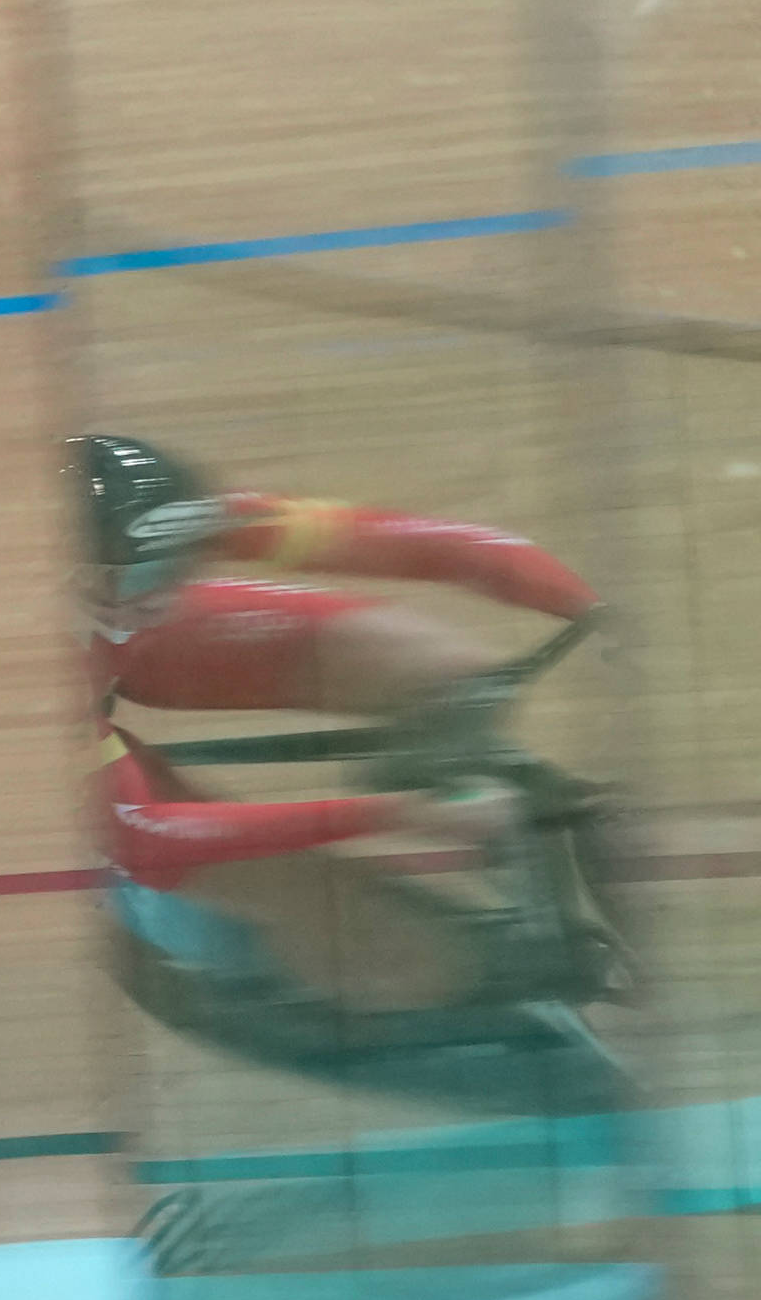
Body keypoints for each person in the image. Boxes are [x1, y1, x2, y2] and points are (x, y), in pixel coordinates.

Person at [79, 431, 595, 1010]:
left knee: (457, 678)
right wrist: (392, 814)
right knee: (344, 919)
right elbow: (150, 833)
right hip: (71, 697)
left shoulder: (164, 533)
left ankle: (432, 777)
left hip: (123, 635)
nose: (170, 588)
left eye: (184, 563)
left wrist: (584, 606)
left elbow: (429, 543)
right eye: (145, 576)